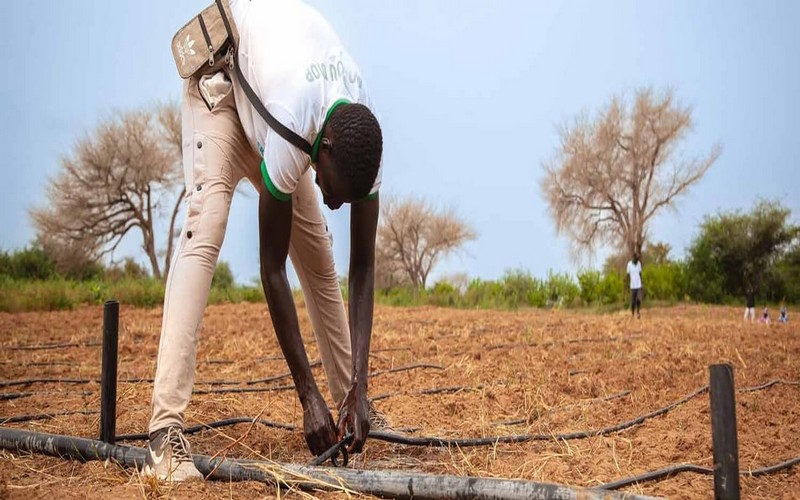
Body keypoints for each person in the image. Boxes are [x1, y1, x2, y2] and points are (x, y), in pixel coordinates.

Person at [145, 0, 385, 481]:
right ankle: (163, 435)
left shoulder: (361, 136)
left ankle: (354, 406)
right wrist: (305, 395)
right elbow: (271, 268)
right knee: (206, 224)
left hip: (271, 113)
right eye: (333, 191)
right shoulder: (295, 116)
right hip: (222, 86)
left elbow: (363, 268)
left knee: (318, 255)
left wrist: (358, 385)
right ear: (326, 150)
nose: (335, 204)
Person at [626, 252, 643, 319]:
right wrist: (626, 283)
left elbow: (640, 273)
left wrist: (642, 283)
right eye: (637, 258)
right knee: (633, 302)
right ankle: (632, 313)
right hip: (632, 286)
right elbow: (627, 274)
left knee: (638, 300)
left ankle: (638, 312)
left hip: (638, 285)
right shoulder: (629, 264)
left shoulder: (639, 264)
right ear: (634, 258)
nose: (638, 259)